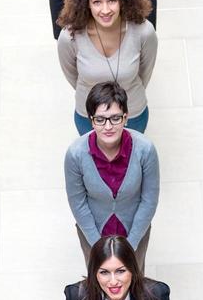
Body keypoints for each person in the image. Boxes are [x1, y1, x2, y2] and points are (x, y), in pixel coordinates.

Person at [64, 81, 159, 271]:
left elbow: (149, 200)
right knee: (99, 281)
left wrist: (130, 246)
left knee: (134, 278)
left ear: (126, 117)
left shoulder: (145, 150)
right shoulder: (76, 154)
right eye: (100, 119)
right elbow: (78, 203)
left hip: (134, 231)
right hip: (93, 231)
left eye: (115, 118)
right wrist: (98, 246)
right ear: (91, 121)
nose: (108, 126)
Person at [58, 0, 157, 134]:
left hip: (132, 115)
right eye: (96, 2)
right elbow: (72, 75)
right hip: (89, 117)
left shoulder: (144, 31)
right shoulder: (70, 37)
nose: (105, 10)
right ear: (86, 3)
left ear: (123, 0)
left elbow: (144, 74)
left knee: (130, 161)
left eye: (112, 1)